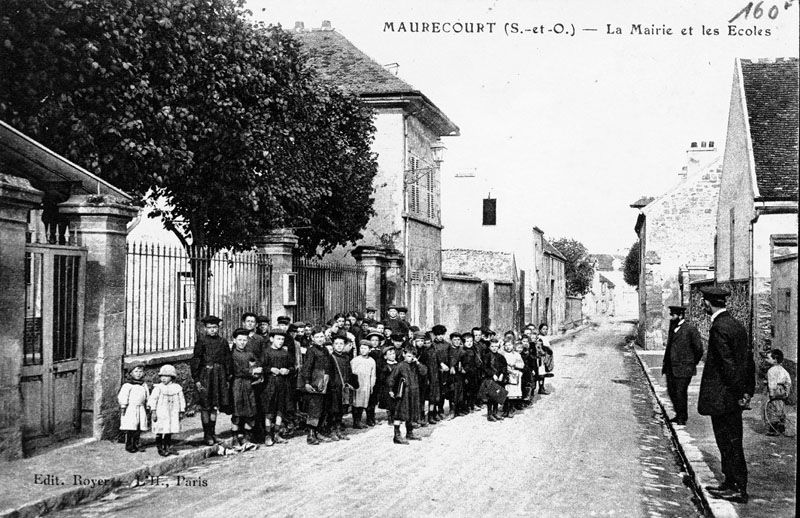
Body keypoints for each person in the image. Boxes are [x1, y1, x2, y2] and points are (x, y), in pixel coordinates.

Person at [697, 286, 751, 504]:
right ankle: (730, 482)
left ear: (708, 303)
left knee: (728, 443)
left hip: (724, 397)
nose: (702, 305)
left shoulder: (719, 328)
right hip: (732, 396)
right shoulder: (736, 325)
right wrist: (747, 390)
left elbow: (728, 365)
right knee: (730, 442)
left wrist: (738, 392)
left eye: (703, 302)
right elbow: (747, 361)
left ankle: (738, 488)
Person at [191, 314, 232, 445]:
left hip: (219, 377)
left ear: (218, 328)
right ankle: (206, 435)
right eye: (210, 328)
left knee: (215, 406)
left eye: (215, 327)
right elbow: (196, 361)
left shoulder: (223, 342)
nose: (213, 330)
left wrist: (227, 377)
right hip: (205, 376)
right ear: (205, 329)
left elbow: (228, 361)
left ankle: (213, 433)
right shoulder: (201, 342)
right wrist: (196, 379)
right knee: (205, 406)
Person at [661, 305, 704, 426]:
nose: (671, 317)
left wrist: (691, 362)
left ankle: (682, 417)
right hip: (671, 367)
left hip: (684, 368)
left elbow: (699, 349)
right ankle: (678, 414)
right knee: (672, 391)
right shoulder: (673, 327)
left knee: (680, 392)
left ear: (680, 316)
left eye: (673, 315)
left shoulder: (690, 329)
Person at [300, 326, 334, 445]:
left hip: (324, 382)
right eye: (317, 337)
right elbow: (307, 368)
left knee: (323, 408)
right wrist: (307, 383)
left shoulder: (325, 350)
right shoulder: (311, 350)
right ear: (313, 339)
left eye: (321, 336)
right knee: (314, 409)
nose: (320, 339)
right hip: (315, 382)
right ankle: (310, 435)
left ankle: (318, 432)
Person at [387, 346, 428, 444]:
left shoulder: (415, 365)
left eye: (412, 356)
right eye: (408, 356)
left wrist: (417, 362)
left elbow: (424, 372)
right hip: (404, 393)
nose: (410, 358)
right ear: (404, 354)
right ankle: (396, 436)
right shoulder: (400, 365)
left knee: (411, 412)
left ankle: (409, 433)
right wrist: (390, 389)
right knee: (400, 414)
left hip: (414, 392)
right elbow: (392, 378)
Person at [230, 328, 260, 451]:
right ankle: (235, 438)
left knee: (250, 411)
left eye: (244, 340)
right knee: (237, 412)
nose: (242, 342)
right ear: (234, 340)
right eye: (240, 340)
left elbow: (256, 365)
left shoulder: (249, 354)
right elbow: (237, 371)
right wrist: (252, 371)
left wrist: (257, 372)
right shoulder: (232, 355)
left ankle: (246, 438)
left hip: (249, 385)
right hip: (237, 384)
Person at [261, 330, 293, 446]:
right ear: (271, 339)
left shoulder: (285, 353)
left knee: (280, 410)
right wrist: (270, 370)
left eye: (282, 339)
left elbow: (292, 367)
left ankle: (277, 434)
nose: (280, 341)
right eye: (278, 339)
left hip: (283, 384)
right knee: (269, 411)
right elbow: (261, 367)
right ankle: (268, 435)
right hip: (269, 385)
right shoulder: (266, 352)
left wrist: (287, 370)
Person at [148, 364, 186, 456]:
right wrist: (153, 411)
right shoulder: (158, 388)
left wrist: (181, 410)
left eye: (166, 376)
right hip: (161, 412)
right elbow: (153, 400)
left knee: (169, 429)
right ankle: (160, 448)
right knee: (160, 429)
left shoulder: (177, 388)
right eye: (162, 376)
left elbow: (181, 399)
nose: (163, 378)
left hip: (172, 412)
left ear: (172, 377)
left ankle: (167, 447)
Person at [118, 363, 150, 453]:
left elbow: (147, 395)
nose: (138, 373)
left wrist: (148, 405)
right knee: (131, 427)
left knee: (139, 427)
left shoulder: (143, 385)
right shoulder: (127, 385)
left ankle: (136, 443)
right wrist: (123, 406)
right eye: (136, 371)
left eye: (140, 371)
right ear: (131, 373)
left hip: (140, 408)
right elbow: (123, 396)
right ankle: (129, 445)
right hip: (130, 409)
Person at [327, 335, 353, 441]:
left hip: (343, 388)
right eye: (336, 344)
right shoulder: (330, 357)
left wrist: (349, 383)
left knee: (341, 411)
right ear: (333, 345)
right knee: (333, 410)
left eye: (341, 344)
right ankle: (331, 431)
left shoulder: (346, 357)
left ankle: (338, 430)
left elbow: (348, 372)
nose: (339, 346)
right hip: (333, 388)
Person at [765, 348, 792, 436]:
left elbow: (772, 383)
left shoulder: (771, 371)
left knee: (772, 409)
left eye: (768, 358)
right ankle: (781, 428)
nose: (766, 360)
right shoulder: (783, 370)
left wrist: (772, 394)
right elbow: (788, 382)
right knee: (781, 408)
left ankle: (773, 429)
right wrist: (786, 392)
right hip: (782, 390)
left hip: (775, 390)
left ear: (775, 360)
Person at [351, 340, 377, 429]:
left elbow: (373, 375)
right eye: (361, 348)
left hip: (366, 384)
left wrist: (371, 386)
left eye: (365, 348)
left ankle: (359, 421)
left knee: (363, 403)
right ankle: (356, 421)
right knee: (356, 403)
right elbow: (352, 372)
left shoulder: (371, 361)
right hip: (357, 384)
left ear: (369, 350)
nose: (363, 350)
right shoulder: (355, 360)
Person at [483, 340, 508, 422]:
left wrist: (501, 374)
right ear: (489, 347)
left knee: (497, 396)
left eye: (496, 346)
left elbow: (504, 367)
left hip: (499, 379)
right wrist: (492, 374)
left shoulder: (501, 357)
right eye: (492, 346)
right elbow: (485, 367)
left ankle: (495, 412)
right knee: (490, 397)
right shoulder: (486, 356)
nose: (494, 348)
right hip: (490, 379)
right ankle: (489, 414)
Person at [500, 339, 524, 417]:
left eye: (509, 345)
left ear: (513, 346)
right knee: (506, 393)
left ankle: (511, 409)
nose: (508, 347)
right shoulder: (502, 354)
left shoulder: (517, 355)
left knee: (513, 394)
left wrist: (515, 365)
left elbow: (522, 365)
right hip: (506, 375)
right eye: (506, 345)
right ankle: (506, 409)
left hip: (514, 375)